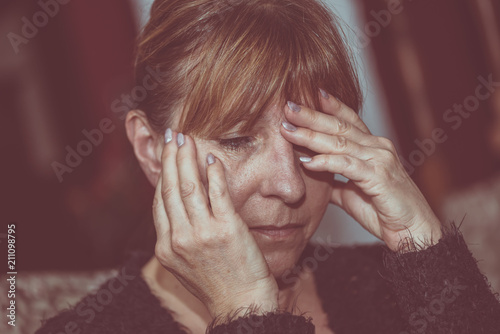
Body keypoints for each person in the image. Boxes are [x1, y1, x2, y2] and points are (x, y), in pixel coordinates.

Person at [36, 0, 500, 333]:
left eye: (307, 141)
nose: (290, 186)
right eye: (237, 139)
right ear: (151, 148)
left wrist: (425, 246)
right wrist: (248, 313)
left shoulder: (399, 285)